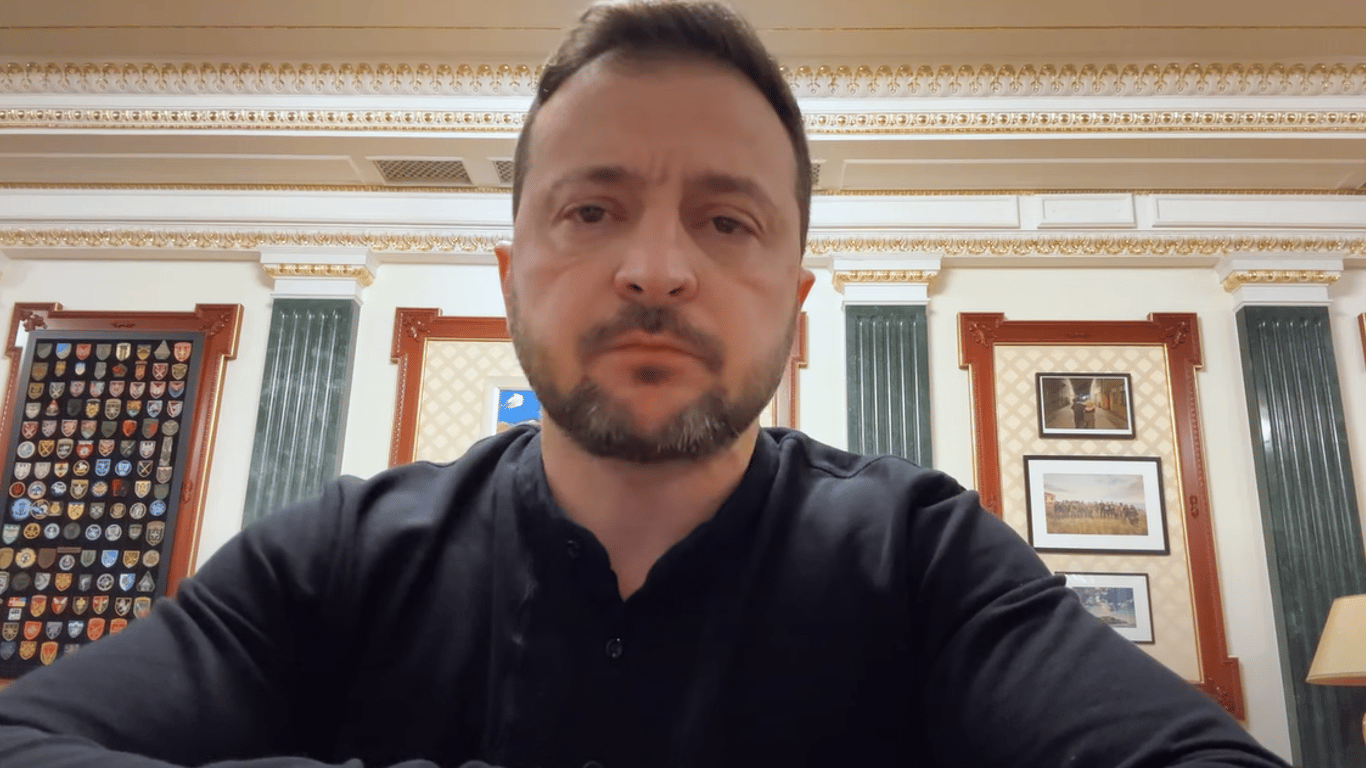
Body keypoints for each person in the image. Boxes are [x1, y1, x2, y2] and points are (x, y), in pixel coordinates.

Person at [0, 2, 1292, 767]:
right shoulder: (339, 555)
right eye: (592, 209)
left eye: (727, 222)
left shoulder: (920, 553)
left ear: (795, 294)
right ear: (512, 275)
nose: (657, 269)